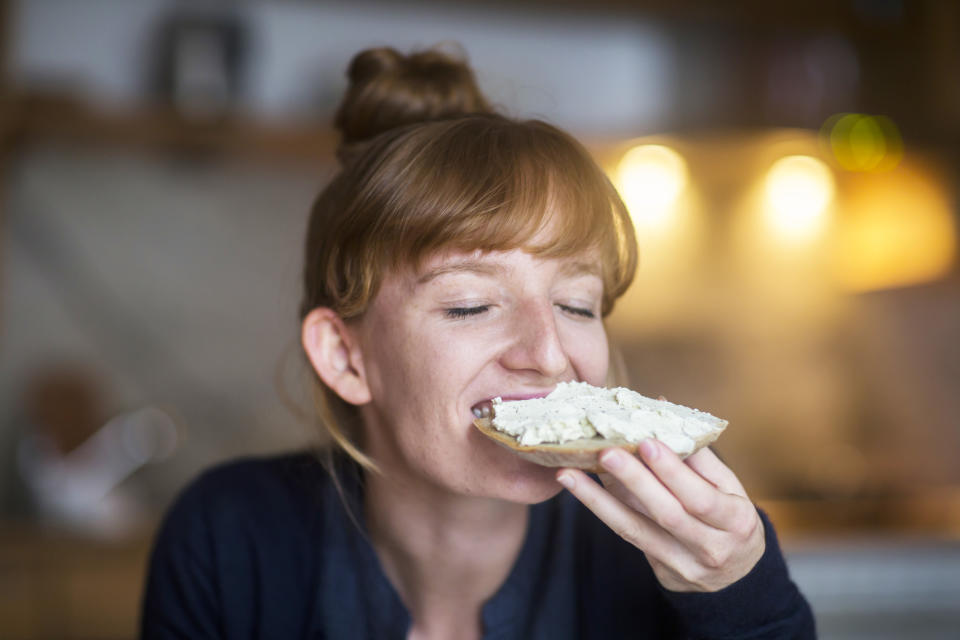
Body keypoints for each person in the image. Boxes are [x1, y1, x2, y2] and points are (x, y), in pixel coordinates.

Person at [141, 46, 815, 639]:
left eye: (577, 304)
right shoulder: (230, 538)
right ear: (347, 358)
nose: (549, 355)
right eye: (471, 304)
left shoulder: (664, 554)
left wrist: (741, 605)